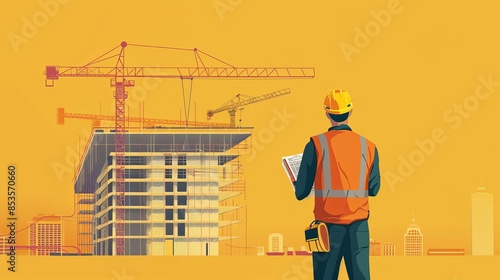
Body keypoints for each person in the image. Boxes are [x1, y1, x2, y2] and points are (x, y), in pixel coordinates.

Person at [294, 89, 380, 280]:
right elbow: (374, 189)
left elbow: (301, 192)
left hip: (326, 229)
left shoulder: (315, 144)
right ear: (350, 112)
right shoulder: (369, 146)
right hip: (359, 229)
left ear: (327, 113)